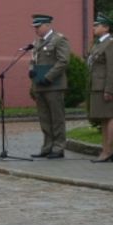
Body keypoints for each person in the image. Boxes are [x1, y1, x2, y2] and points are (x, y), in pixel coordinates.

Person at [28, 14, 70, 159]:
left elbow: (63, 61)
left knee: (57, 118)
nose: (36, 30)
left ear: (47, 25)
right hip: (40, 85)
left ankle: (58, 147)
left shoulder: (59, 40)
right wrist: (31, 71)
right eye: (35, 27)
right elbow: (34, 60)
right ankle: (47, 146)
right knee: (44, 118)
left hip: (54, 85)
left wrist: (48, 77)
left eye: (38, 27)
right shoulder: (37, 42)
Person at [87, 13, 113, 163]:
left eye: (97, 25)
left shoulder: (111, 43)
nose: (94, 27)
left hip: (105, 87)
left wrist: (108, 89)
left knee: (110, 116)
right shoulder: (99, 43)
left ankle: (108, 151)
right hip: (97, 86)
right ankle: (104, 150)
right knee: (103, 119)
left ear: (106, 28)